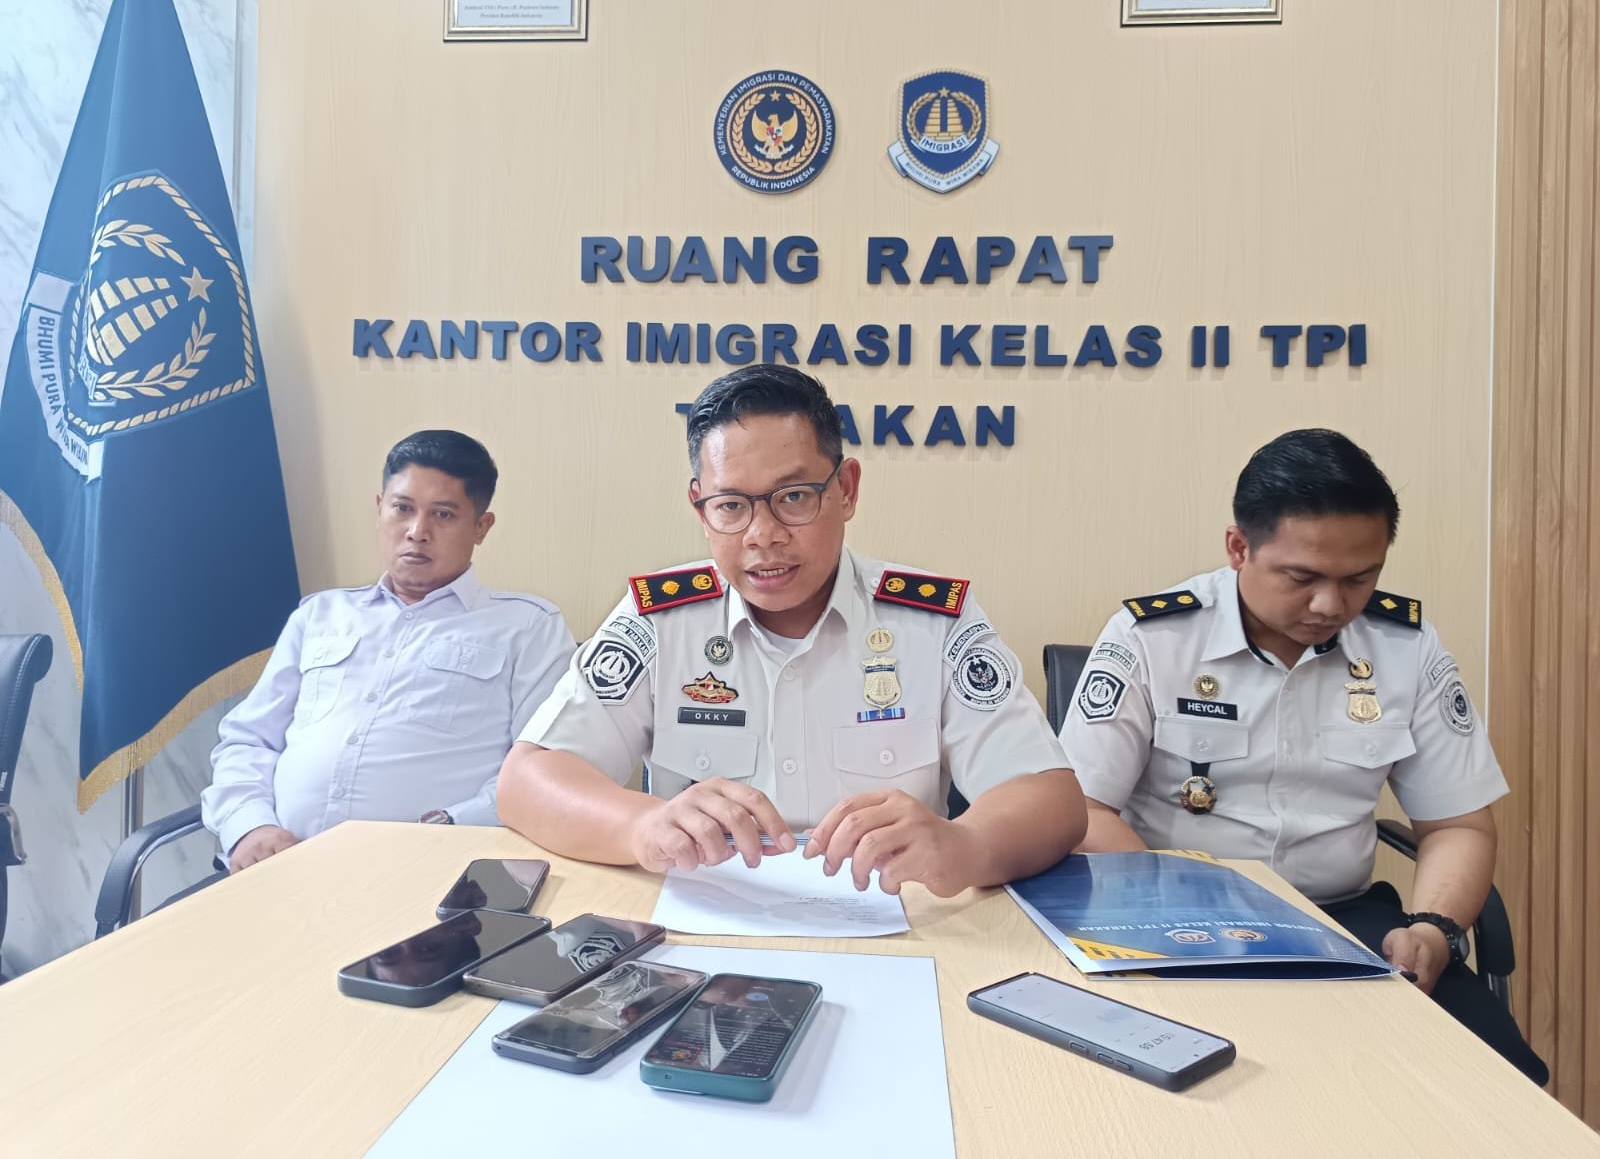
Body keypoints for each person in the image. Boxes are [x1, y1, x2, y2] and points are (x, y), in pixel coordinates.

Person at [1060, 428, 1547, 1083]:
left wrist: (1433, 929)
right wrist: (1176, 912)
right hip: (1173, 916)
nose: (1329, 605)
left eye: (1359, 579)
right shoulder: (1153, 638)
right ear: (1239, 547)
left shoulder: (1406, 648)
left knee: (1503, 1081)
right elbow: (1083, 811)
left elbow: (1458, 823)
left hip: (1340, 921)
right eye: (1302, 577)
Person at [497, 367, 1085, 896]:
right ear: (700, 507)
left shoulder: (932, 620)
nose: (764, 534)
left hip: (896, 929)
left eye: (795, 497)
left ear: (847, 489)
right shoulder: (661, 618)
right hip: (708, 929)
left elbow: (1051, 799)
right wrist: (641, 825)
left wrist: (966, 844)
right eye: (731, 505)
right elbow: (528, 779)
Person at [201, 429, 575, 872]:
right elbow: (249, 740)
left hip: (430, 873)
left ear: (481, 527)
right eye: (402, 509)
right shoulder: (320, 615)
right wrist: (250, 827)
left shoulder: (527, 627)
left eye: (443, 514)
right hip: (278, 868)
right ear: (380, 509)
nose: (417, 532)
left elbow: (543, 772)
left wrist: (445, 828)